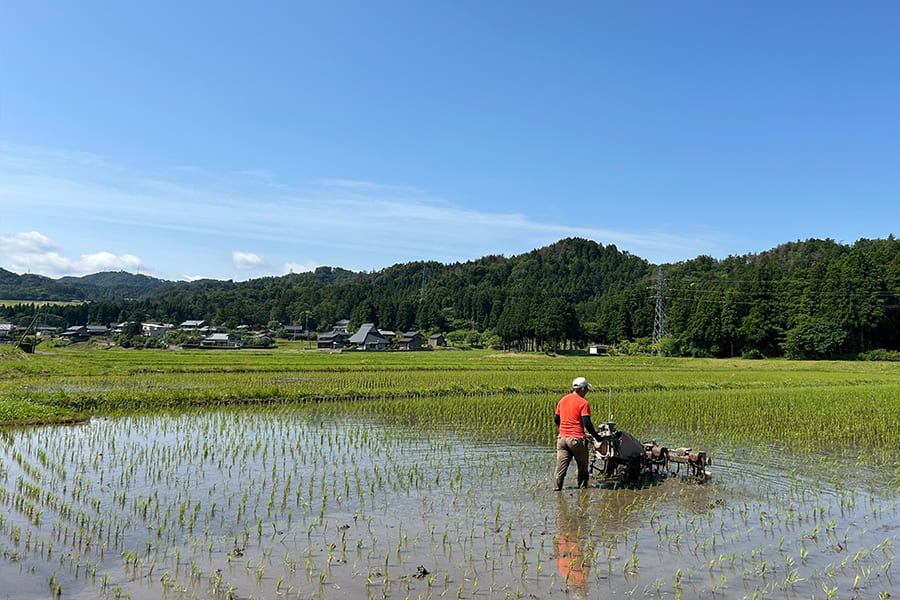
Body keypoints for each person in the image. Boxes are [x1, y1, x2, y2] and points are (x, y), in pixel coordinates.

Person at [554, 376, 601, 490]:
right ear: (582, 389)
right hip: (576, 440)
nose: (587, 392)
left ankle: (556, 489)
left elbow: (556, 419)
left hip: (562, 439)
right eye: (586, 389)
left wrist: (564, 429)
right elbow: (587, 423)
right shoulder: (583, 403)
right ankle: (583, 491)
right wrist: (597, 436)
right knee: (582, 467)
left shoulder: (563, 400)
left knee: (560, 468)